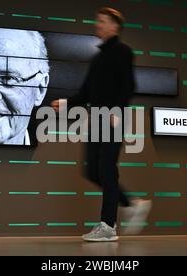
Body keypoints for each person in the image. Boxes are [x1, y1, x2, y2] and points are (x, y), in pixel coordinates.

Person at [52, 7, 152, 242]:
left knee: (107, 169)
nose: (97, 25)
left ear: (114, 25)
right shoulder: (97, 58)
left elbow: (128, 85)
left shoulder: (122, 52)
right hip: (96, 118)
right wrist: (66, 103)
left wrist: (116, 110)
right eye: (97, 21)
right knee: (92, 171)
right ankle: (132, 204)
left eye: (102, 21)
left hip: (113, 118)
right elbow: (86, 93)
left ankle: (108, 225)